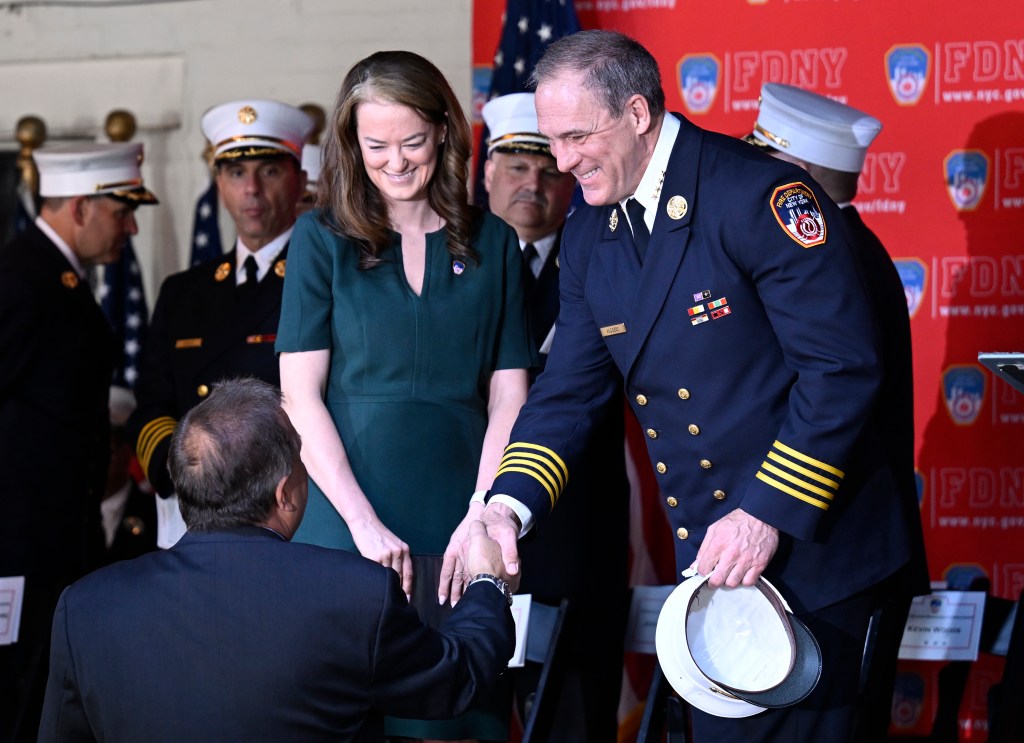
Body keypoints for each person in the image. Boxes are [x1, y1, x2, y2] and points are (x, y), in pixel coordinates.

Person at [450, 30, 928, 743]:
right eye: (553, 140)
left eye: (578, 135)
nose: (563, 161)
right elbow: (568, 395)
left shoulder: (755, 193)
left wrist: (765, 510)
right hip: (714, 578)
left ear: (637, 113)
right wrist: (505, 508)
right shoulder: (588, 232)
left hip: (817, 563)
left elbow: (842, 368)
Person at [276, 50, 536, 741]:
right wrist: (362, 525)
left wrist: (482, 515)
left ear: (446, 131)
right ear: (350, 146)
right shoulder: (318, 238)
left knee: (455, 715)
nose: (395, 161)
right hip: (343, 526)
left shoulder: (496, 244)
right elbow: (299, 397)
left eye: (413, 142)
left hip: (461, 531)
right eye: (376, 145)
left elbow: (511, 397)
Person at [37, 378, 516, 743]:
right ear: (286, 493)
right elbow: (459, 677)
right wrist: (487, 582)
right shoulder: (356, 596)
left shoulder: (85, 608)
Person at [744, 82, 929, 742]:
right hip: (835, 554)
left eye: (762, 161)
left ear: (802, 175)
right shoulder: (850, 246)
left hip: (827, 556)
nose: (749, 178)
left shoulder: (821, 253)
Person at [481, 91, 629, 743]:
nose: (533, 182)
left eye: (548, 168)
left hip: (576, 536)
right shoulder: (452, 269)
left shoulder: (607, 257)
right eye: (515, 166)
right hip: (475, 534)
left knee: (571, 718)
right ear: (487, 172)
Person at [0, 142, 157, 742]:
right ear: (81, 207)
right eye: (122, 211)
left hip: (56, 542)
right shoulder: (21, 281)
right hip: (18, 549)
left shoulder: (55, 280)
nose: (132, 226)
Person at [129, 99, 313, 549]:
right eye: (235, 173)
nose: (250, 189)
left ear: (300, 180)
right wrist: (182, 470)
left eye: (268, 171)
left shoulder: (324, 281)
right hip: (195, 507)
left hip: (285, 506)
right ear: (217, 184)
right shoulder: (183, 292)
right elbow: (152, 403)